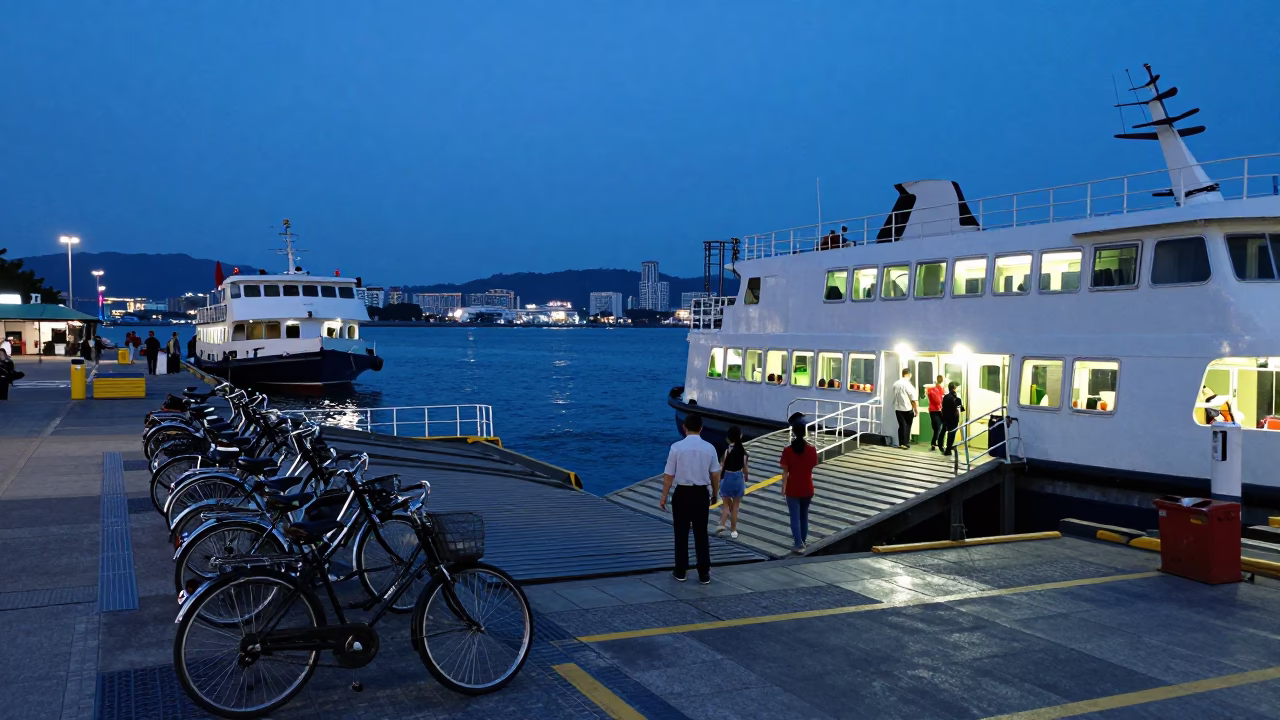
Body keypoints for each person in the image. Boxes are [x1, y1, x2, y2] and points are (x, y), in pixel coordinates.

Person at [659, 414, 721, 585]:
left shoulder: (676, 447)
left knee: (681, 533)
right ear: (701, 428)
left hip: (682, 493)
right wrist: (715, 494)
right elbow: (715, 474)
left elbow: (669, 475)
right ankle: (704, 573)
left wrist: (664, 496)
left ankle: (681, 571)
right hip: (701, 494)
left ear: (685, 427)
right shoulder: (710, 448)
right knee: (701, 533)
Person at [780, 422, 818, 553]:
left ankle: (798, 543)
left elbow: (785, 472)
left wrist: (783, 487)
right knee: (804, 516)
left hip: (793, 488)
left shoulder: (788, 450)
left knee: (794, 517)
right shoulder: (812, 449)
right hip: (808, 487)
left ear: (794, 432)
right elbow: (813, 465)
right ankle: (803, 541)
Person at [716, 426, 748, 539]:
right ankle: (734, 531)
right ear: (740, 437)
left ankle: (722, 524)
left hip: (728, 478)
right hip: (739, 479)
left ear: (728, 439)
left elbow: (722, 466)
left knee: (726, 505)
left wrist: (719, 479)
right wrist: (746, 477)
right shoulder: (743, 452)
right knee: (735, 507)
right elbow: (745, 469)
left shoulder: (727, 451)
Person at [892, 368, 918, 449]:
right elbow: (913, 398)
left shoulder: (895, 383)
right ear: (909, 374)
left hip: (897, 408)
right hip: (907, 408)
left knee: (901, 426)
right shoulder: (907, 384)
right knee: (907, 426)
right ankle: (906, 443)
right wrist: (916, 410)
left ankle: (901, 443)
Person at [941, 381, 966, 455]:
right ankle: (948, 449)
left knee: (949, 433)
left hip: (946, 417)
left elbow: (944, 407)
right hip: (953, 418)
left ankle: (947, 447)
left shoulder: (946, 396)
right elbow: (961, 408)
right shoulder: (955, 398)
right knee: (952, 433)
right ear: (954, 388)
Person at [927, 375, 946, 451]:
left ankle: (935, 442)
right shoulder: (937, 389)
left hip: (934, 410)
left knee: (936, 427)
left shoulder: (931, 389)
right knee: (938, 427)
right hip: (937, 410)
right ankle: (935, 442)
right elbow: (938, 400)